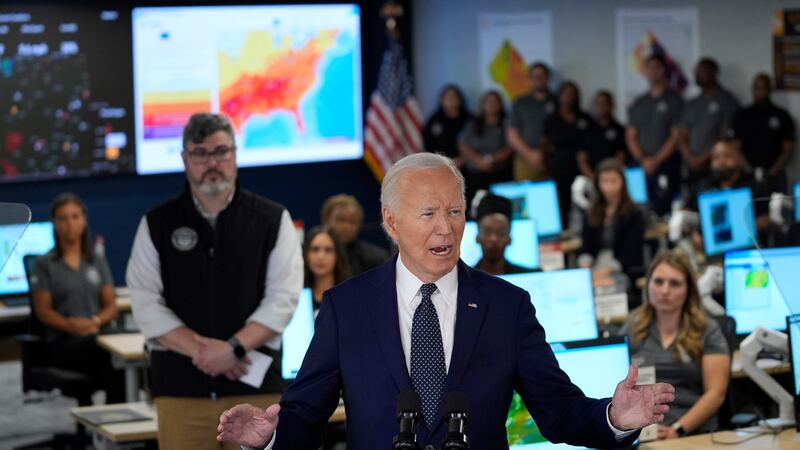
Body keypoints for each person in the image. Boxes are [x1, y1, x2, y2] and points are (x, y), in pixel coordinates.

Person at [217, 153, 675, 450]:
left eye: (455, 212)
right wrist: (270, 437)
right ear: (391, 222)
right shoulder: (346, 307)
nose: (446, 228)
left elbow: (559, 412)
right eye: (429, 214)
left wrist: (614, 417)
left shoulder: (507, 305)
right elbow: (305, 415)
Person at [126, 113, 303, 450]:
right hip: (180, 391)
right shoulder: (156, 223)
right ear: (184, 159)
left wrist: (234, 348)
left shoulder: (271, 219)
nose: (213, 163)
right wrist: (208, 353)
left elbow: (283, 299)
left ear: (235, 154)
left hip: (257, 390)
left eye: (221, 152)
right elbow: (146, 304)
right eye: (201, 154)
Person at [620, 251, 730, 437]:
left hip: (693, 433)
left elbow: (716, 393)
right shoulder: (633, 326)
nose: (664, 290)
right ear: (648, 285)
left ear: (688, 289)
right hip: (644, 433)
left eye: (675, 283)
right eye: (658, 281)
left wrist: (676, 430)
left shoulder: (706, 329)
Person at [29, 193, 125, 404]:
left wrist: (94, 322)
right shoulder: (44, 264)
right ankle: (113, 422)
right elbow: (43, 312)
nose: (69, 223)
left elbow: (111, 306)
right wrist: (73, 326)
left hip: (95, 333)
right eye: (63, 218)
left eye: (75, 216)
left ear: (84, 220)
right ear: (54, 222)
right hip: (64, 342)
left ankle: (118, 424)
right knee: (111, 358)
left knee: (119, 356)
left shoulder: (96, 259)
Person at [626, 54, 683, 216]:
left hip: (665, 163)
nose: (653, 71)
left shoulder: (674, 100)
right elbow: (631, 135)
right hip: (641, 165)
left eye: (657, 67)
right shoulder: (639, 102)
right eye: (649, 67)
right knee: (637, 209)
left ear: (664, 70)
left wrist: (655, 161)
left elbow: (676, 136)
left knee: (664, 209)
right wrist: (643, 160)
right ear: (645, 71)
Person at [578, 159, 645, 284]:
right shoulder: (590, 213)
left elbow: (630, 254)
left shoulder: (634, 213)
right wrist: (586, 268)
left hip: (622, 270)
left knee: (603, 285)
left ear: (622, 183)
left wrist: (602, 273)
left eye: (613, 181)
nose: (609, 186)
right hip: (594, 269)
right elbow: (585, 247)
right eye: (604, 181)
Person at [677, 58, 739, 184]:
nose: (699, 74)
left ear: (714, 73)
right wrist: (691, 159)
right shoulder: (692, 103)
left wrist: (700, 160)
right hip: (691, 166)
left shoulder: (726, 100)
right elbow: (682, 136)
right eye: (697, 71)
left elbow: (724, 137)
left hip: (716, 166)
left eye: (703, 71)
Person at [686, 139, 770, 233]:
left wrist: (738, 230)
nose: (721, 161)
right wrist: (695, 233)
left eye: (727, 156)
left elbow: (767, 218)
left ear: (738, 159)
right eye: (716, 157)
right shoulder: (701, 187)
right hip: (707, 246)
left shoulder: (753, 186)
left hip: (750, 245)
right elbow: (687, 211)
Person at [732, 73, 796, 194]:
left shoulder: (782, 115)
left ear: (769, 89)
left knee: (777, 210)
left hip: (775, 174)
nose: (760, 91)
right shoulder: (743, 115)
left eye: (763, 88)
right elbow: (735, 147)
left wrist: (771, 172)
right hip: (747, 174)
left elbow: (788, 149)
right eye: (757, 87)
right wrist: (750, 171)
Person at [541, 81, 592, 228]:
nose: (569, 97)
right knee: (560, 205)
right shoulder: (552, 119)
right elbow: (544, 143)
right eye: (565, 93)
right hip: (559, 168)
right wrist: (545, 163)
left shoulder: (584, 118)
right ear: (559, 96)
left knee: (583, 204)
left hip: (581, 169)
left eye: (572, 94)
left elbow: (591, 143)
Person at [458, 90, 514, 204]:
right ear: (483, 105)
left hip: (499, 171)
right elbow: (463, 144)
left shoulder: (507, 123)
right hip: (476, 171)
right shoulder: (473, 123)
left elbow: (510, 146)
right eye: (488, 102)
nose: (491, 105)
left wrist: (490, 160)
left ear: (500, 105)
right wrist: (478, 160)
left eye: (495, 102)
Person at [507, 62, 557, 181]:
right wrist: (530, 155)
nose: (538, 79)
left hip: (552, 160)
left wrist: (544, 155)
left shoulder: (558, 100)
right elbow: (512, 134)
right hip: (525, 159)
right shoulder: (520, 102)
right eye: (535, 76)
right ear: (530, 79)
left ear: (548, 77)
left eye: (542, 76)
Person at [320, 194, 389, 275]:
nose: (346, 227)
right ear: (326, 220)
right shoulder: (309, 254)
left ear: (359, 225)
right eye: (340, 219)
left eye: (352, 221)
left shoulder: (376, 259)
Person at [473, 193, 532, 275]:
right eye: (487, 232)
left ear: (510, 239)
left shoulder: (529, 277)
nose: (493, 239)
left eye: (501, 233)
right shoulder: (462, 281)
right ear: (477, 237)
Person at [580, 91, 628, 179]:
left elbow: (621, 156)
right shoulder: (588, 129)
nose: (602, 107)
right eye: (599, 104)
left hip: (612, 176)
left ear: (611, 105)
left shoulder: (619, 129)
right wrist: (592, 176)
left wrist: (609, 177)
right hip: (591, 176)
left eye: (605, 103)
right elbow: (582, 157)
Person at [303, 225, 351, 313]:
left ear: (338, 256)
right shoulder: (297, 296)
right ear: (306, 254)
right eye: (315, 249)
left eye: (328, 250)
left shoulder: (350, 296)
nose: (320, 256)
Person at [423, 84, 471, 161]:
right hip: (440, 164)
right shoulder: (434, 121)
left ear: (460, 100)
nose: (451, 101)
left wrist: (463, 160)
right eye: (448, 98)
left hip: (467, 164)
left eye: (454, 97)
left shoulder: (469, 119)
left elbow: (477, 143)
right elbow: (428, 145)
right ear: (442, 100)